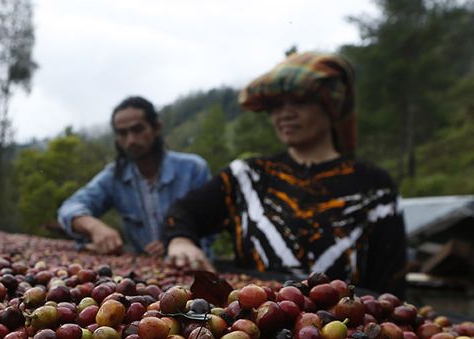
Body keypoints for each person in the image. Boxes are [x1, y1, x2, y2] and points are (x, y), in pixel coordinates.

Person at [163, 52, 407, 296]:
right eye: (276, 106)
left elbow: (389, 283)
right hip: (252, 324)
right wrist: (181, 240)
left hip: (344, 330)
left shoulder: (374, 188)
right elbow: (184, 212)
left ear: (330, 106)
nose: (285, 114)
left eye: (299, 102)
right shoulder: (247, 177)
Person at [57, 96, 212, 256]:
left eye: (138, 130)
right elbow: (70, 208)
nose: (131, 140)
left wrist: (177, 240)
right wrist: (94, 227)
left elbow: (211, 223)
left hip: (195, 267)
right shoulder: (114, 177)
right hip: (145, 273)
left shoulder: (193, 169)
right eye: (122, 133)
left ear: (156, 128)